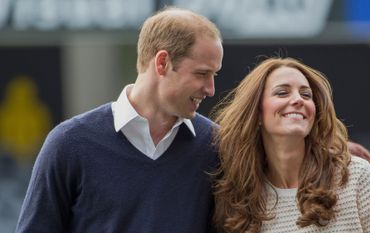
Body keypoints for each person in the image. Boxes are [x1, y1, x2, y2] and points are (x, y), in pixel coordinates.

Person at [16, 7, 223, 233]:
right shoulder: (69, 143)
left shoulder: (217, 146)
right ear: (162, 62)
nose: (211, 90)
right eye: (202, 74)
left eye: (214, 75)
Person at [212, 57, 370, 233]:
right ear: (257, 113)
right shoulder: (237, 199)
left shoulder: (356, 176)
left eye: (306, 95)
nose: (298, 100)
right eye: (282, 92)